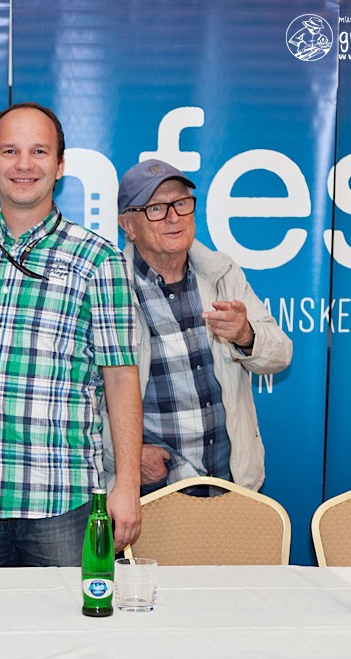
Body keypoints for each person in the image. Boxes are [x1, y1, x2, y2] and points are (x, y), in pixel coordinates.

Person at [0, 103, 142, 567]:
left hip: (61, 501)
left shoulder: (99, 259)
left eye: (39, 151)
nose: (24, 164)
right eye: (9, 151)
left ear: (60, 165)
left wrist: (127, 485)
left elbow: (121, 377)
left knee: (75, 615)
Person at [115, 159, 292, 495]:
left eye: (181, 203)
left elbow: (281, 355)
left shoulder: (222, 274)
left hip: (231, 484)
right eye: (156, 208)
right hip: (152, 490)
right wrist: (127, 455)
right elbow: (80, 396)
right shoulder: (110, 288)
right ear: (128, 225)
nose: (173, 217)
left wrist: (246, 335)